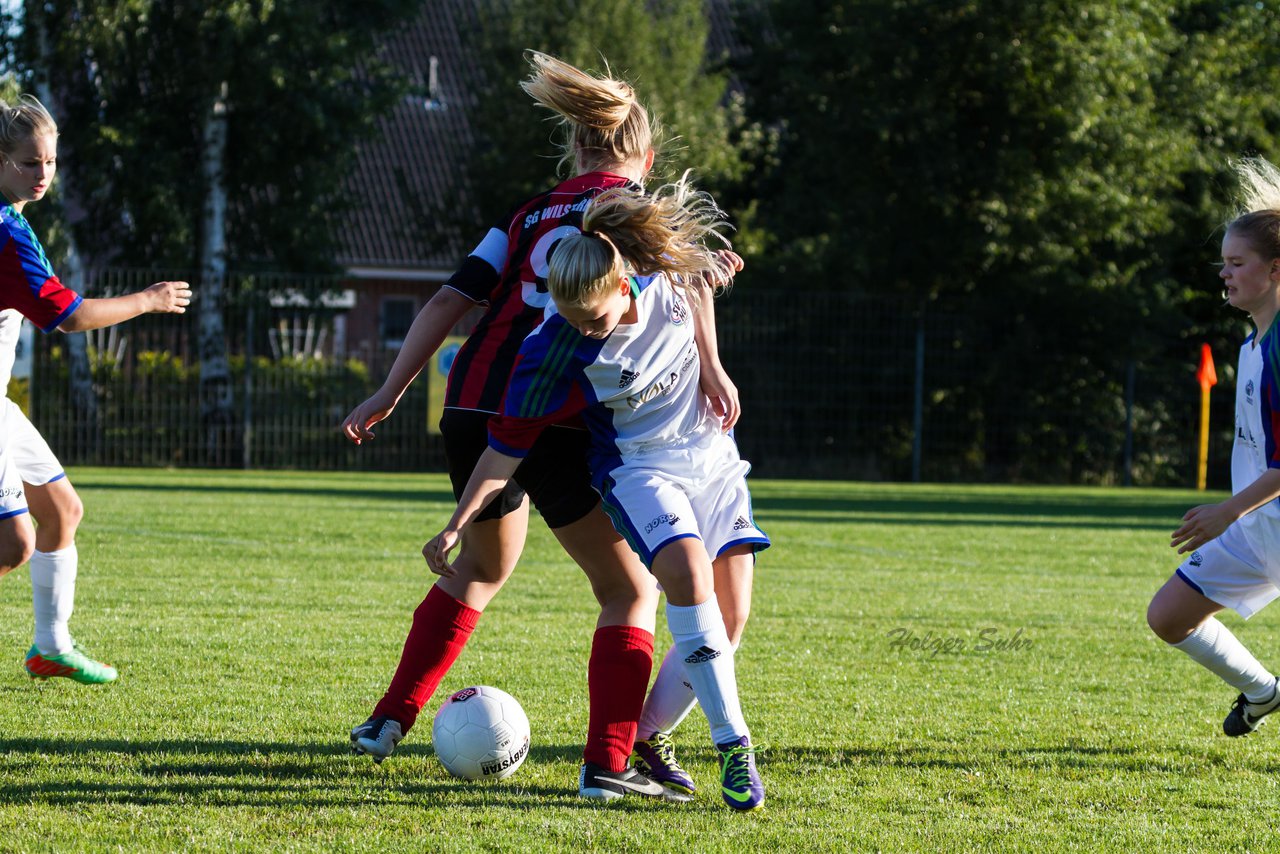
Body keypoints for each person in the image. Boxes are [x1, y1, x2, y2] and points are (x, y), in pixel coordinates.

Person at [341, 51, 738, 802]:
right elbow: (686, 288)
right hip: (553, 410)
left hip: (472, 405)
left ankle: (387, 721)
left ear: (575, 149)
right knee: (628, 592)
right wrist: (713, 343)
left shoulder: (526, 213)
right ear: (642, 158)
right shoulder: (630, 212)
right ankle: (608, 766)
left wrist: (392, 390)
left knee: (481, 570)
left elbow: (446, 303)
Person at [425, 176, 769, 812]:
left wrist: (714, 363)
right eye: (572, 319)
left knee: (733, 616)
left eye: (595, 318)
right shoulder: (553, 348)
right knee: (688, 581)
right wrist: (457, 522)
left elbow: (694, 283)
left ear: (622, 282)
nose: (584, 330)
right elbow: (503, 451)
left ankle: (646, 735)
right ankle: (734, 747)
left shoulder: (656, 271)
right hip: (638, 468)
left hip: (712, 456)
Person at [0, 95, 192, 683]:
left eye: (51, 163)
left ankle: (50, 648)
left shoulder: (13, 223)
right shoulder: (6, 234)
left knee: (61, 510)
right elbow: (68, 315)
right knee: (13, 545)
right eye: (31, 162)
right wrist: (150, 299)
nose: (43, 175)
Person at [1147, 155, 1280, 736]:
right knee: (1169, 617)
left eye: (1236, 262)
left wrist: (1227, 509)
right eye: (1222, 262)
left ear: (1275, 270)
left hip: (1254, 517)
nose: (1224, 273)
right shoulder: (1254, 344)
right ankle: (1264, 692)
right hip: (1256, 528)